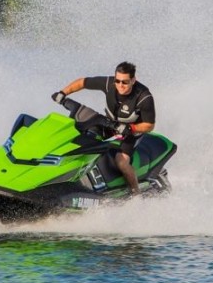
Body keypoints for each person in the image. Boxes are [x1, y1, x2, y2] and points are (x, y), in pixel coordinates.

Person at [51, 62, 155, 195]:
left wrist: (131, 127)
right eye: (117, 81)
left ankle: (136, 193)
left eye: (125, 82)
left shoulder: (144, 97)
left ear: (133, 80)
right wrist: (63, 93)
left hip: (130, 133)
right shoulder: (108, 83)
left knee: (122, 162)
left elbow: (149, 125)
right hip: (109, 125)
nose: (120, 85)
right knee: (81, 138)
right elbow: (82, 82)